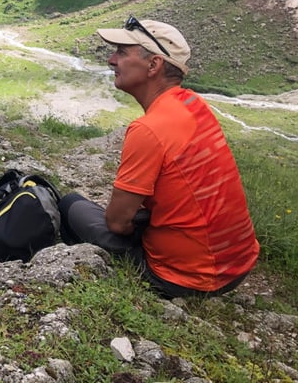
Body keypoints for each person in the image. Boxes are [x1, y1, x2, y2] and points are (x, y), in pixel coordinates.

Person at [59, 16, 259, 298]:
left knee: (71, 205)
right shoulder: (194, 105)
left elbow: (117, 223)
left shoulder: (147, 130)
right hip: (237, 269)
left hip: (184, 279)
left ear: (153, 65)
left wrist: (132, 225)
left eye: (122, 52)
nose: (111, 60)